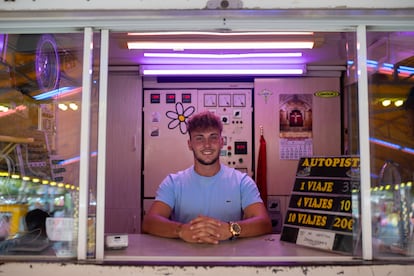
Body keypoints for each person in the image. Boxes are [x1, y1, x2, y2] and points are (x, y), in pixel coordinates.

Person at [142, 111, 272, 244]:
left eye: (213, 137)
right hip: (185, 260)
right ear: (190, 144)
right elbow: (149, 222)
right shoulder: (173, 182)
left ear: (222, 142)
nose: (207, 144)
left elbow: (264, 223)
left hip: (231, 260)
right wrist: (181, 230)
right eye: (199, 138)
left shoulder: (242, 182)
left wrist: (230, 229)